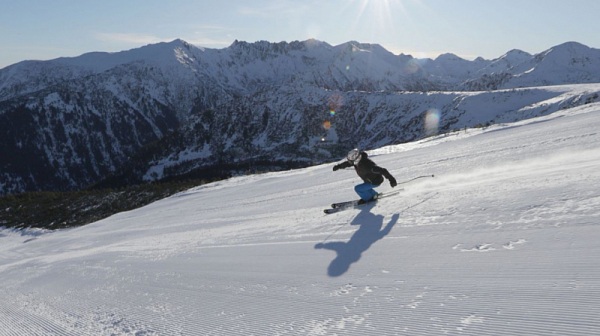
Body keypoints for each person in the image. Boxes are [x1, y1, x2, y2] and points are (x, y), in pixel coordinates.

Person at [333, 148, 397, 204]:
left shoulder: (368, 165)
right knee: (365, 186)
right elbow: (347, 164)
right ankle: (374, 195)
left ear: (356, 159)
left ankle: (369, 199)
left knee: (358, 189)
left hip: (375, 181)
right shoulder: (358, 162)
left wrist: (392, 180)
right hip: (370, 180)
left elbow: (383, 170)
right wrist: (338, 166)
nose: (349, 162)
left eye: (350, 161)